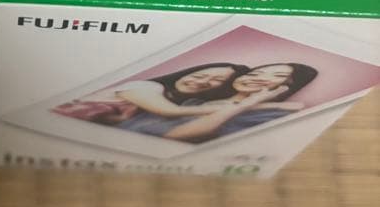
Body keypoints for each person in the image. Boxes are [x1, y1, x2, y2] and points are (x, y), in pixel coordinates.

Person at [117, 63, 318, 143]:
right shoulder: (194, 101)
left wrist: (251, 105)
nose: (259, 77)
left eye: (278, 76)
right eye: (256, 72)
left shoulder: (273, 116)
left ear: (288, 86)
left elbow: (174, 136)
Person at [53, 63, 248, 126]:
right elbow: (169, 111)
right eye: (200, 75)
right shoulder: (146, 86)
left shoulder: (185, 103)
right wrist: (246, 105)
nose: (202, 81)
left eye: (216, 81)